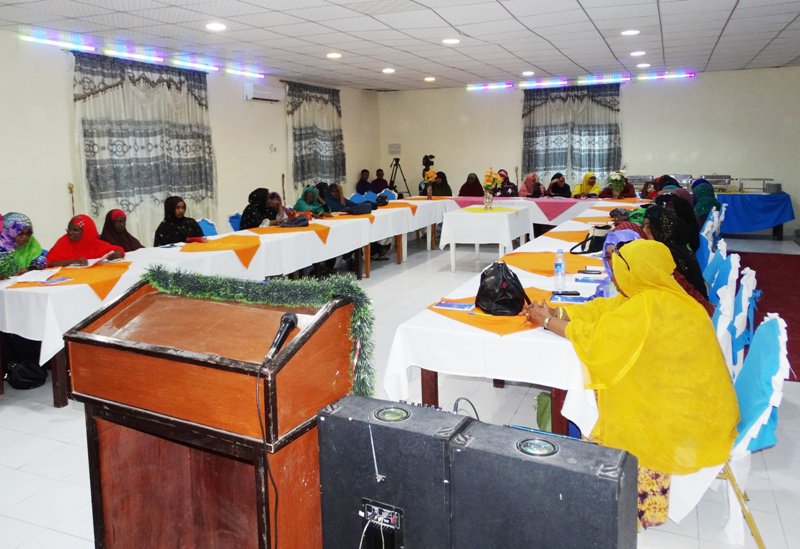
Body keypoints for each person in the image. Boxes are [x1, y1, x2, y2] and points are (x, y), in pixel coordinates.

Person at [523, 239, 738, 528]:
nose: (615, 275)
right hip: (702, 407)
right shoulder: (661, 293)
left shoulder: (649, 305)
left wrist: (548, 322)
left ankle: (631, 499)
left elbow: (597, 339)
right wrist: (557, 312)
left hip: (682, 421)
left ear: (635, 272)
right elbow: (603, 311)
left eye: (620, 268)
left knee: (605, 398)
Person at [643, 205, 708, 300]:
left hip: (690, 308)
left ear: (661, 229)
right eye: (643, 226)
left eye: (649, 227)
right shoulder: (679, 249)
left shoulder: (668, 254)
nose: (643, 231)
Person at [47, 214, 124, 267]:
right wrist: (73, 261)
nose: (70, 233)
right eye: (69, 229)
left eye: (75, 230)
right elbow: (48, 262)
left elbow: (118, 250)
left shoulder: (94, 243)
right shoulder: (64, 241)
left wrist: (117, 254)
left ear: (87, 232)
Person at [0, 212, 47, 278]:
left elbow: (41, 259)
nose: (25, 237)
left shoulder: (31, 242)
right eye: (20, 233)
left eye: (28, 234)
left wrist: (29, 269)